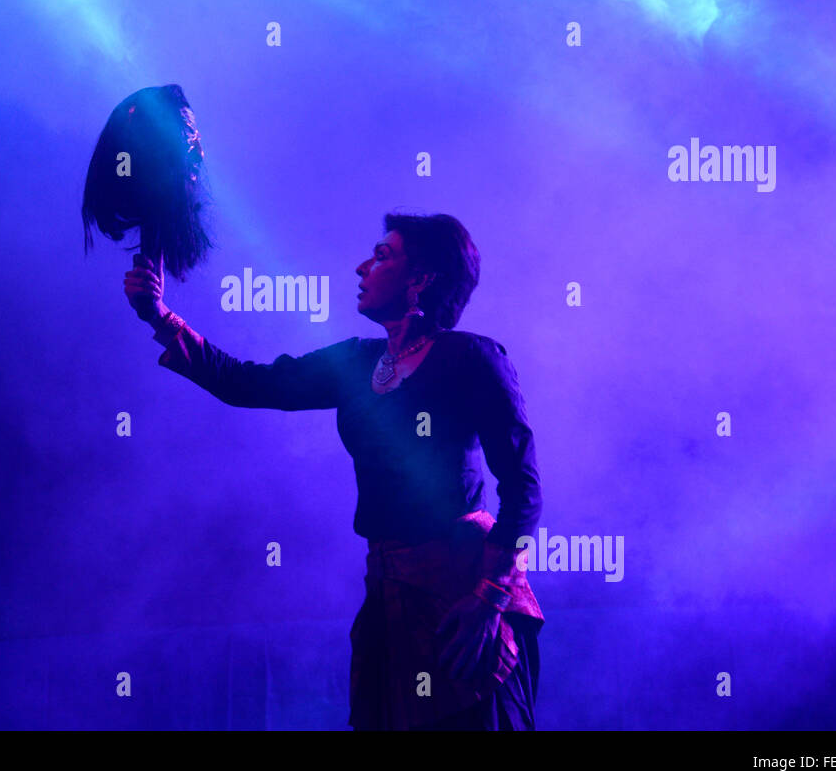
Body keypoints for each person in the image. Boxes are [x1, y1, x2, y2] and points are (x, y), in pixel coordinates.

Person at [124, 212, 544, 730]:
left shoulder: (473, 358)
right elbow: (247, 384)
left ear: (421, 280)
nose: (362, 267)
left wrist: (490, 596)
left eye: (383, 255)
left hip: (464, 594)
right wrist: (159, 315)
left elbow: (523, 489)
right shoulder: (355, 362)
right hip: (392, 593)